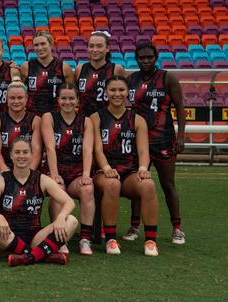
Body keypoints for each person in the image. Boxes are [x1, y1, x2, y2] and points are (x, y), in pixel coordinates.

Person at [0, 137, 78, 266]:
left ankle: (27, 257)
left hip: (35, 237)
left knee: (71, 221)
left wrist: (61, 217)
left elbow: (69, 202)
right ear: (10, 155)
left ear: (32, 154)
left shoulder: (41, 179)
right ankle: (40, 255)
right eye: (17, 152)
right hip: (7, 236)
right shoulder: (1, 180)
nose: (21, 156)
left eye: (25, 152)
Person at [91, 75, 159, 256]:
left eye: (121, 90)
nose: (117, 94)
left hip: (129, 172)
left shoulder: (138, 120)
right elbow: (97, 150)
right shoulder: (96, 118)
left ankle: (151, 240)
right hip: (103, 171)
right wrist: (106, 168)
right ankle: (111, 239)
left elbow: (144, 152)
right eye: (112, 90)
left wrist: (143, 168)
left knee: (148, 185)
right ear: (105, 93)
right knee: (112, 184)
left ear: (128, 92)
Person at [125, 42, 186, 245]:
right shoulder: (131, 79)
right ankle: (134, 227)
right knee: (138, 185)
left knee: (168, 184)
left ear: (156, 57)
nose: (145, 61)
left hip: (163, 139)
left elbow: (179, 107)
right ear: (136, 59)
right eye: (141, 58)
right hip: (137, 142)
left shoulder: (168, 78)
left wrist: (181, 136)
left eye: (149, 57)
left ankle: (177, 228)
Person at [41, 83, 95, 255]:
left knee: (87, 189)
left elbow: (87, 149)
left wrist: (86, 174)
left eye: (71, 98)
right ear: (58, 100)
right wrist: (55, 174)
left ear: (77, 100)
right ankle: (59, 237)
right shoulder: (49, 117)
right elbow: (50, 148)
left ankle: (85, 239)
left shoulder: (86, 121)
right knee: (59, 189)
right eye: (63, 98)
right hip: (56, 168)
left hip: (76, 170)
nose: (67, 102)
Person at [0, 82, 42, 174]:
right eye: (12, 98)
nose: (16, 101)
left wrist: (29, 173)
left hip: (29, 168)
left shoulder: (35, 120)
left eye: (20, 98)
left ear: (26, 99)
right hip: (4, 167)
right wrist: (4, 170)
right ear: (6, 99)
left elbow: (36, 151)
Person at [20, 31, 74, 115]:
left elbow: (72, 93)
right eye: (36, 45)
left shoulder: (63, 67)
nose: (40, 48)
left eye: (43, 44)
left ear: (51, 44)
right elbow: (18, 92)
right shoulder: (26, 67)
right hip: (33, 116)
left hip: (56, 116)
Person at [76, 31, 126, 116]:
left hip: (107, 119)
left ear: (107, 48)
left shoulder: (116, 69)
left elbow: (123, 95)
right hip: (84, 120)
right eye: (91, 46)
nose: (95, 50)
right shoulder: (80, 68)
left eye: (99, 46)